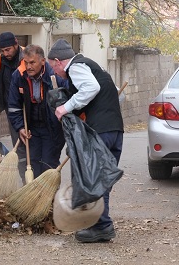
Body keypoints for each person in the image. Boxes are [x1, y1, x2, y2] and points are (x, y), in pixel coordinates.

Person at [48, 38, 124, 243]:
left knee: (95, 179)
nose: (55, 73)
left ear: (58, 61)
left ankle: (103, 226)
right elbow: (115, 93)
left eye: (53, 68)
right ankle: (99, 224)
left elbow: (91, 88)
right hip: (115, 130)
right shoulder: (93, 65)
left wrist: (65, 107)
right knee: (101, 179)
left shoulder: (77, 67)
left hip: (101, 132)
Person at [6, 45, 66, 179]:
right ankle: (33, 195)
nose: (28, 67)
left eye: (32, 62)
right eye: (26, 62)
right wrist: (20, 127)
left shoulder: (55, 76)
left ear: (43, 61)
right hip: (31, 128)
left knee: (48, 164)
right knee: (32, 163)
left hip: (52, 128)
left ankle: (49, 197)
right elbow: (14, 106)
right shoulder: (19, 75)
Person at [0, 31, 27, 179]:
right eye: (3, 50)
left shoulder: (27, 57)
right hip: (12, 110)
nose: (5, 53)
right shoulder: (1, 60)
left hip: (28, 108)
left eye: (8, 49)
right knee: (19, 146)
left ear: (16, 43)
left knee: (31, 144)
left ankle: (35, 175)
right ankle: (25, 179)